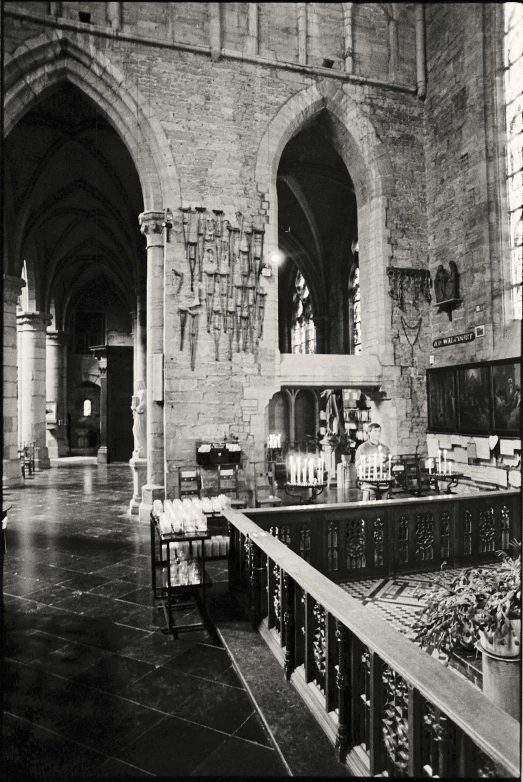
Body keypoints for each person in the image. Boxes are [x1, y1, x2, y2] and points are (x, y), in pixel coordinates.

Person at [355, 423, 391, 501]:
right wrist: (372, 464)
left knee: (383, 504)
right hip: (368, 481)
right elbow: (358, 466)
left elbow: (389, 462)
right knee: (368, 502)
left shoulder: (385, 448)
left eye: (379, 431)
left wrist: (387, 465)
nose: (378, 433)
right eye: (375, 431)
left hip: (383, 481)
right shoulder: (362, 448)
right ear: (369, 433)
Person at [131, 380, 147, 458]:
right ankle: (140, 446)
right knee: (135, 429)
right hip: (138, 414)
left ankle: (142, 448)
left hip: (141, 414)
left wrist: (136, 408)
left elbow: (144, 403)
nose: (135, 386)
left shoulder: (143, 392)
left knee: (139, 430)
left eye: (136, 384)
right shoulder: (140, 392)